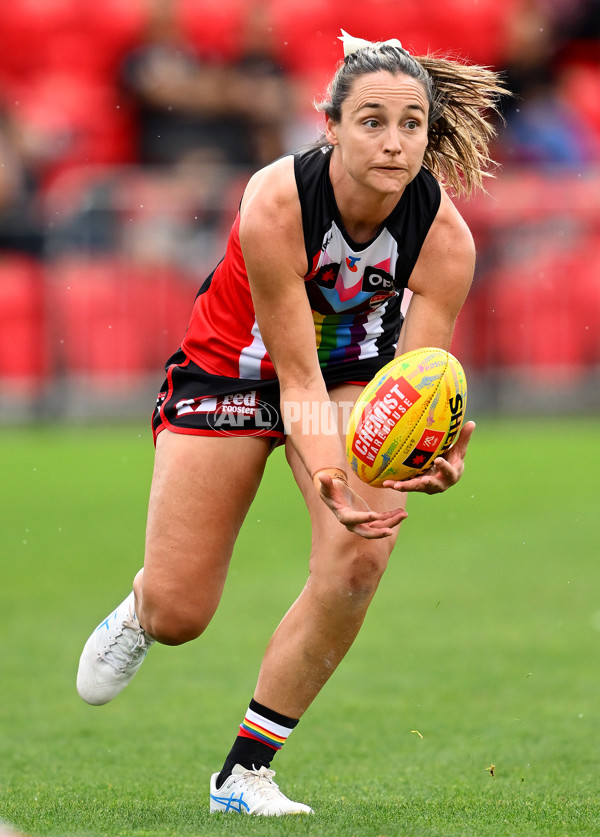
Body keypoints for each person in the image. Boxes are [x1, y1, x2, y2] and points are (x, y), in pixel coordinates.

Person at [76, 30, 507, 816]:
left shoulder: (446, 239)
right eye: (372, 120)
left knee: (362, 551)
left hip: (349, 376)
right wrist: (333, 470)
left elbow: (417, 382)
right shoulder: (276, 199)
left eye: (411, 124)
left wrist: (426, 454)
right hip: (233, 368)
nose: (394, 140)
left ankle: (244, 774)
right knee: (181, 613)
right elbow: (292, 368)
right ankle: (142, 606)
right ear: (332, 126)